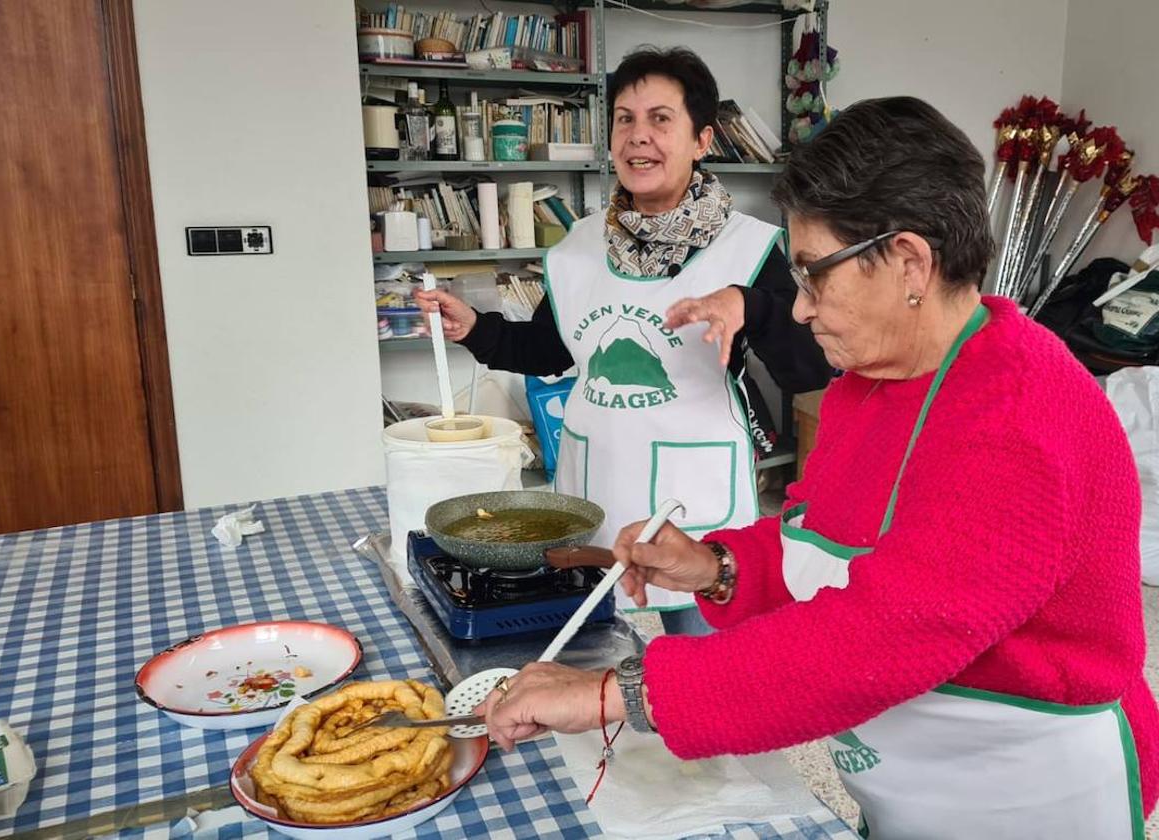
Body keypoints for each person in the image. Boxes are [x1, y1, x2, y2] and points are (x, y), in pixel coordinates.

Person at [476, 96, 1159, 838]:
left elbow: (881, 636)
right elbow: (817, 538)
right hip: (905, 773)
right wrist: (716, 566)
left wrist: (613, 694)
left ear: (908, 262)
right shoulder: (869, 382)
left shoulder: (1022, 416)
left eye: (812, 277)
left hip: (1025, 793)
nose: (798, 311)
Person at [415, 46, 831, 634]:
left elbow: (809, 371)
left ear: (702, 140)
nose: (639, 137)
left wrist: (752, 307)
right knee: (592, 654)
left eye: (661, 119)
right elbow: (551, 353)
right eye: (625, 119)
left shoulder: (750, 248)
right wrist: (476, 329)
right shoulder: (577, 247)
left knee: (703, 670)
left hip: (693, 497)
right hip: (597, 482)